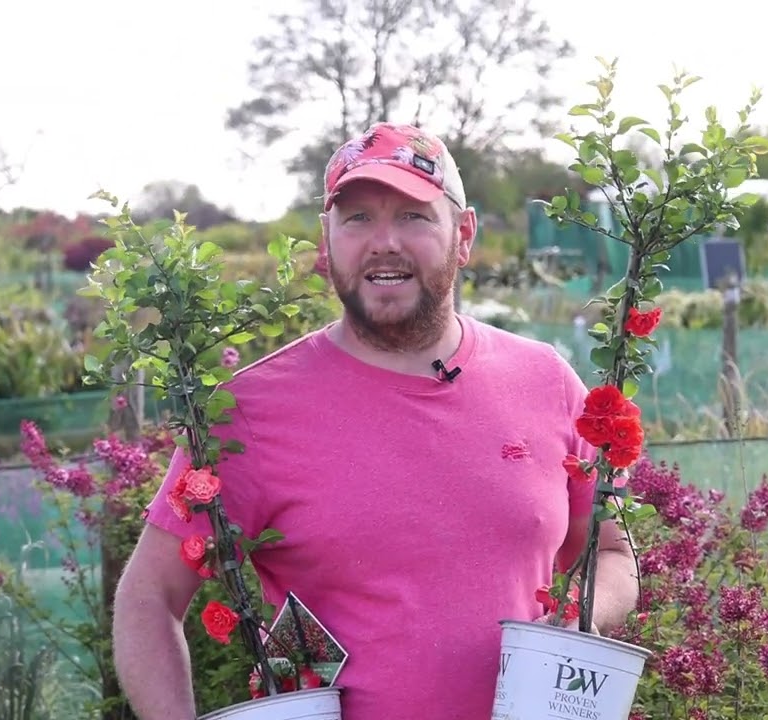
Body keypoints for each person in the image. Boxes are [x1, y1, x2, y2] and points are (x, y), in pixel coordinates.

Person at [111, 122, 640, 720]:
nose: (384, 242)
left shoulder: (545, 381)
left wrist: (580, 618)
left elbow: (613, 553)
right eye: (358, 218)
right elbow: (149, 597)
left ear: (463, 235)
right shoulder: (246, 413)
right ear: (326, 241)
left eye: (413, 216)